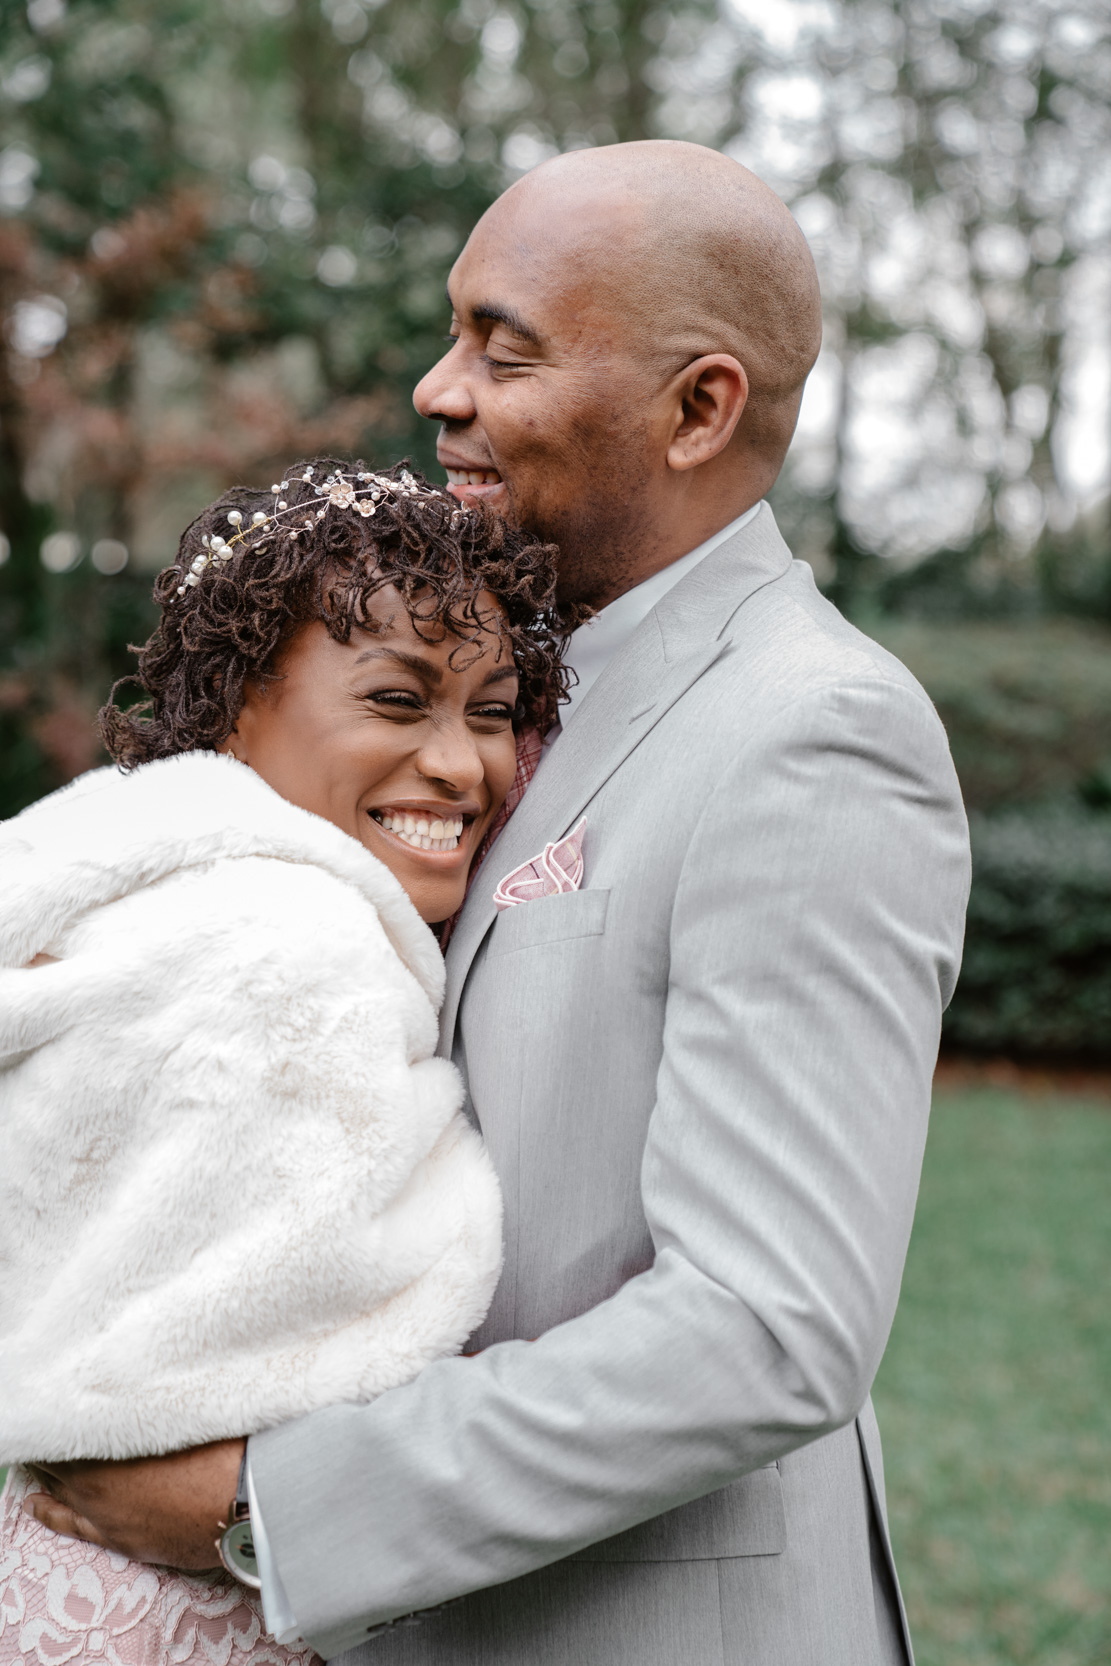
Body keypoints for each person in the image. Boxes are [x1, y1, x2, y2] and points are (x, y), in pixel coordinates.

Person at [23, 143, 971, 1666]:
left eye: (500, 347)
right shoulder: (487, 688)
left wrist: (267, 1504)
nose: (433, 388)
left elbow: (765, 1324)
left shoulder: (810, 735)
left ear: (697, 408)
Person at [0, 460, 570, 1665]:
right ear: (232, 702)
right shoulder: (295, 950)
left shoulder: (121, 885)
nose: (462, 768)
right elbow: (365, 1273)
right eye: (396, 700)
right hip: (171, 1615)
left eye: (489, 709)